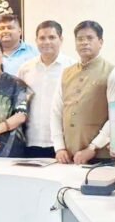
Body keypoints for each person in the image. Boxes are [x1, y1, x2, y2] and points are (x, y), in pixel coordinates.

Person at [52, 21, 115, 164]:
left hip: (100, 156)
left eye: (90, 38)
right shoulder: (66, 73)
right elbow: (56, 112)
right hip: (68, 156)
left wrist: (93, 147)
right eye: (80, 39)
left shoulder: (113, 72)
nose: (84, 43)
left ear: (100, 42)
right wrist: (59, 147)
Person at [17, 20, 75, 158]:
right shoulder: (25, 69)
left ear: (61, 39)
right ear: (36, 41)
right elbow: (19, 103)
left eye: (52, 37)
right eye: (42, 38)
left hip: (63, 145)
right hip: (30, 141)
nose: (46, 42)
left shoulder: (72, 67)